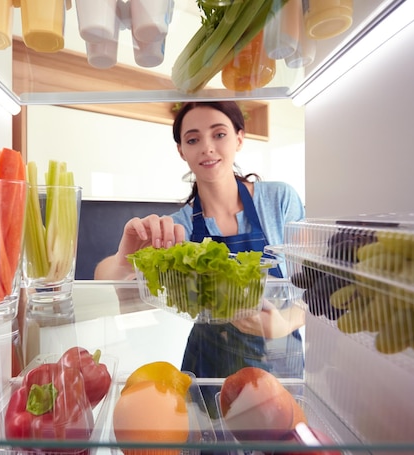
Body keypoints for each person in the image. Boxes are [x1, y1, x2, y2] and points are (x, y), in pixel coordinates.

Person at [94, 101, 306, 407]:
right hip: (210, 366)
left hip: (279, 357)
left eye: (219, 134)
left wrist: (285, 322)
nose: (207, 147)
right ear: (182, 151)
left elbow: (314, 283)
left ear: (239, 138)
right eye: (193, 139)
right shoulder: (179, 226)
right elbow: (109, 275)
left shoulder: (279, 200)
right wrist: (125, 259)